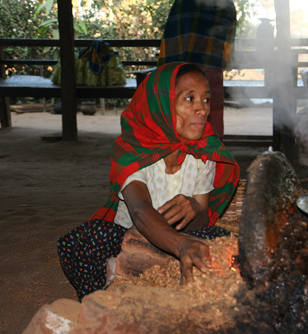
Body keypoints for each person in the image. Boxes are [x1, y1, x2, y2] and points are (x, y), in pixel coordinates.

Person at [57, 62, 241, 300]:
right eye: (189, 99)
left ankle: (142, 274)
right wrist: (181, 246)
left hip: (181, 240)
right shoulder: (133, 151)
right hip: (129, 239)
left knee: (229, 245)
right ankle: (114, 285)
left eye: (206, 100)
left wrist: (195, 209)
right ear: (161, 105)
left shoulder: (204, 153)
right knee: (88, 237)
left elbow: (202, 224)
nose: (202, 110)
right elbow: (141, 211)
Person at [157, 0, 237, 139]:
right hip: (209, 69)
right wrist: (224, 64)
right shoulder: (226, 4)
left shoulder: (181, 3)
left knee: (176, 114)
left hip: (176, 69)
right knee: (209, 116)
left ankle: (178, 156)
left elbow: (168, 37)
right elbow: (227, 49)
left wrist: (163, 68)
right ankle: (211, 156)